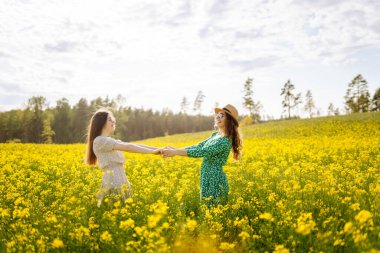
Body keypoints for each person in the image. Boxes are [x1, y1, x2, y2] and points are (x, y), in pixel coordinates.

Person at [162, 104, 243, 207]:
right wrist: (176, 150)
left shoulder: (225, 141)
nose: (217, 117)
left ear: (229, 120)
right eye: (217, 115)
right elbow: (198, 146)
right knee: (206, 208)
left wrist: (176, 152)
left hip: (215, 178)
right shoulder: (215, 136)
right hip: (206, 176)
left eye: (221, 115)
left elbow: (202, 151)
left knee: (213, 210)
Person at [84, 108, 162, 207]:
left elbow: (132, 145)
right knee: (117, 209)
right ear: (101, 122)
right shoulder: (100, 141)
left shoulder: (107, 140)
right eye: (109, 119)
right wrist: (153, 151)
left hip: (119, 178)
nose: (113, 122)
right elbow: (128, 147)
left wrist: (159, 149)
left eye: (113, 120)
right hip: (113, 180)